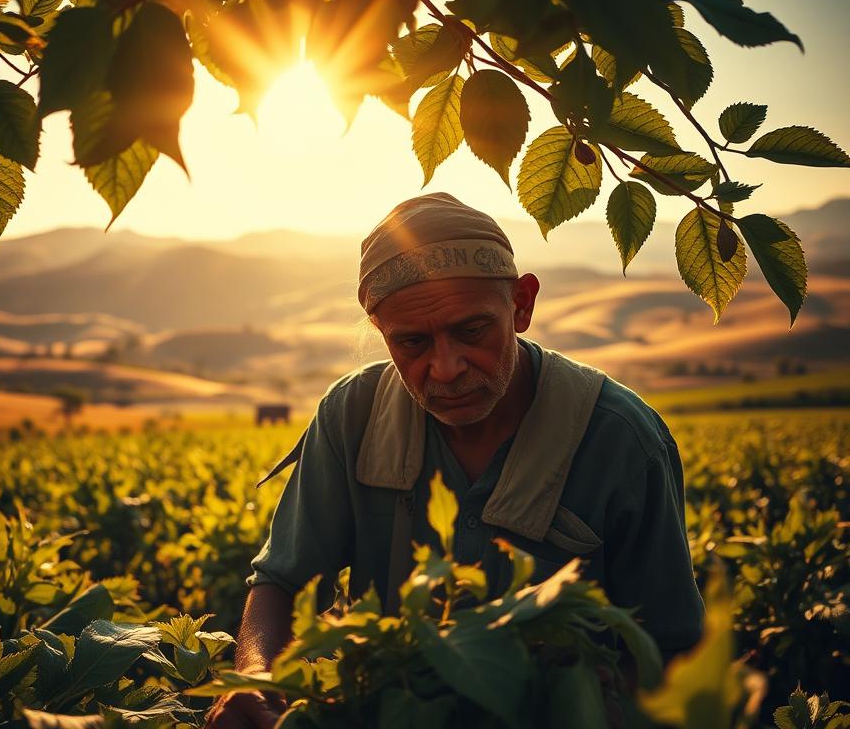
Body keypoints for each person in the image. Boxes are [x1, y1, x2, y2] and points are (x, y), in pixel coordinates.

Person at [205, 192, 704, 728]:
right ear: (381, 334)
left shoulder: (621, 439)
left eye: (471, 331)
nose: (444, 368)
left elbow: (668, 650)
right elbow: (283, 579)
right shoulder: (350, 414)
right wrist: (256, 677)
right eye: (412, 343)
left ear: (522, 305)